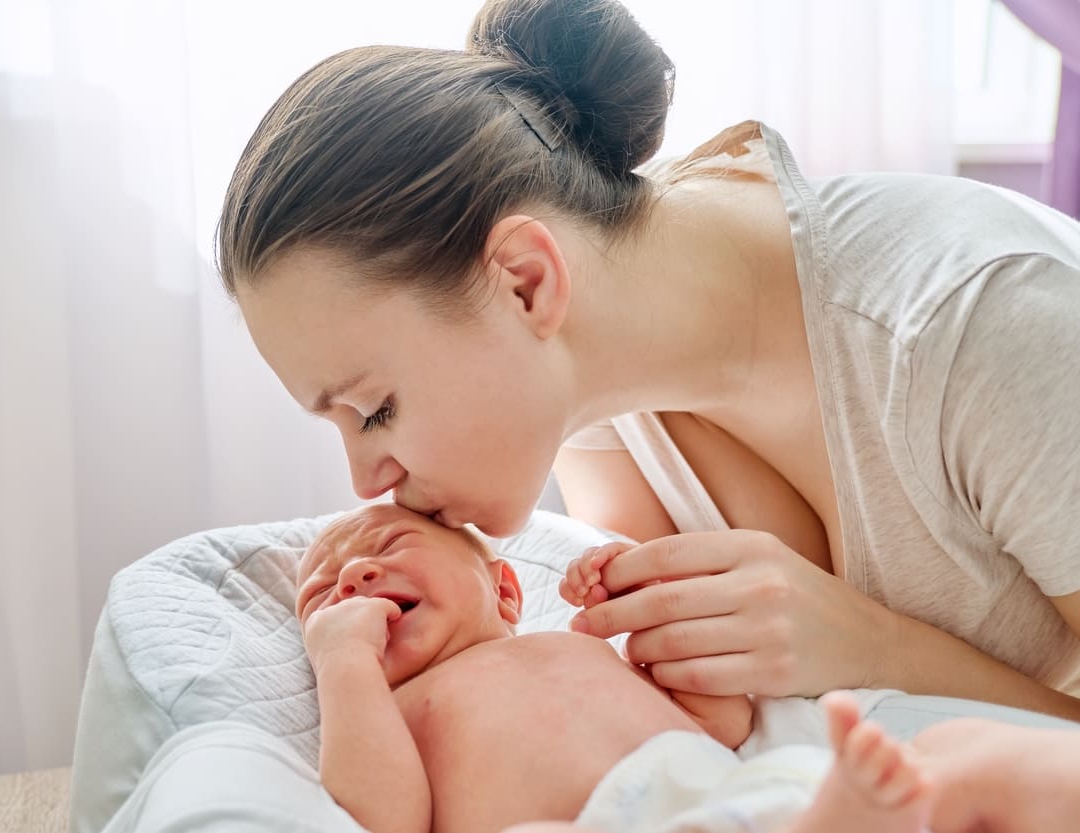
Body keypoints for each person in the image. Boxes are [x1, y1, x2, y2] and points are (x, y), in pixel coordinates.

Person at [217, 0, 1080, 720]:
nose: (367, 478)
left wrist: (873, 648)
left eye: (376, 410)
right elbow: (689, 730)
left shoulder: (977, 326)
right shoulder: (593, 396)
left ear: (523, 281)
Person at [298, 503, 1080, 833]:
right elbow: (384, 815)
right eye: (325, 592)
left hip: (742, 795)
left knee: (957, 754)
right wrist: (344, 663)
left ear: (505, 590)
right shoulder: (388, 708)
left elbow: (725, 722)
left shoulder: (573, 644)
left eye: (387, 549)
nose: (356, 577)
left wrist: (651, 602)